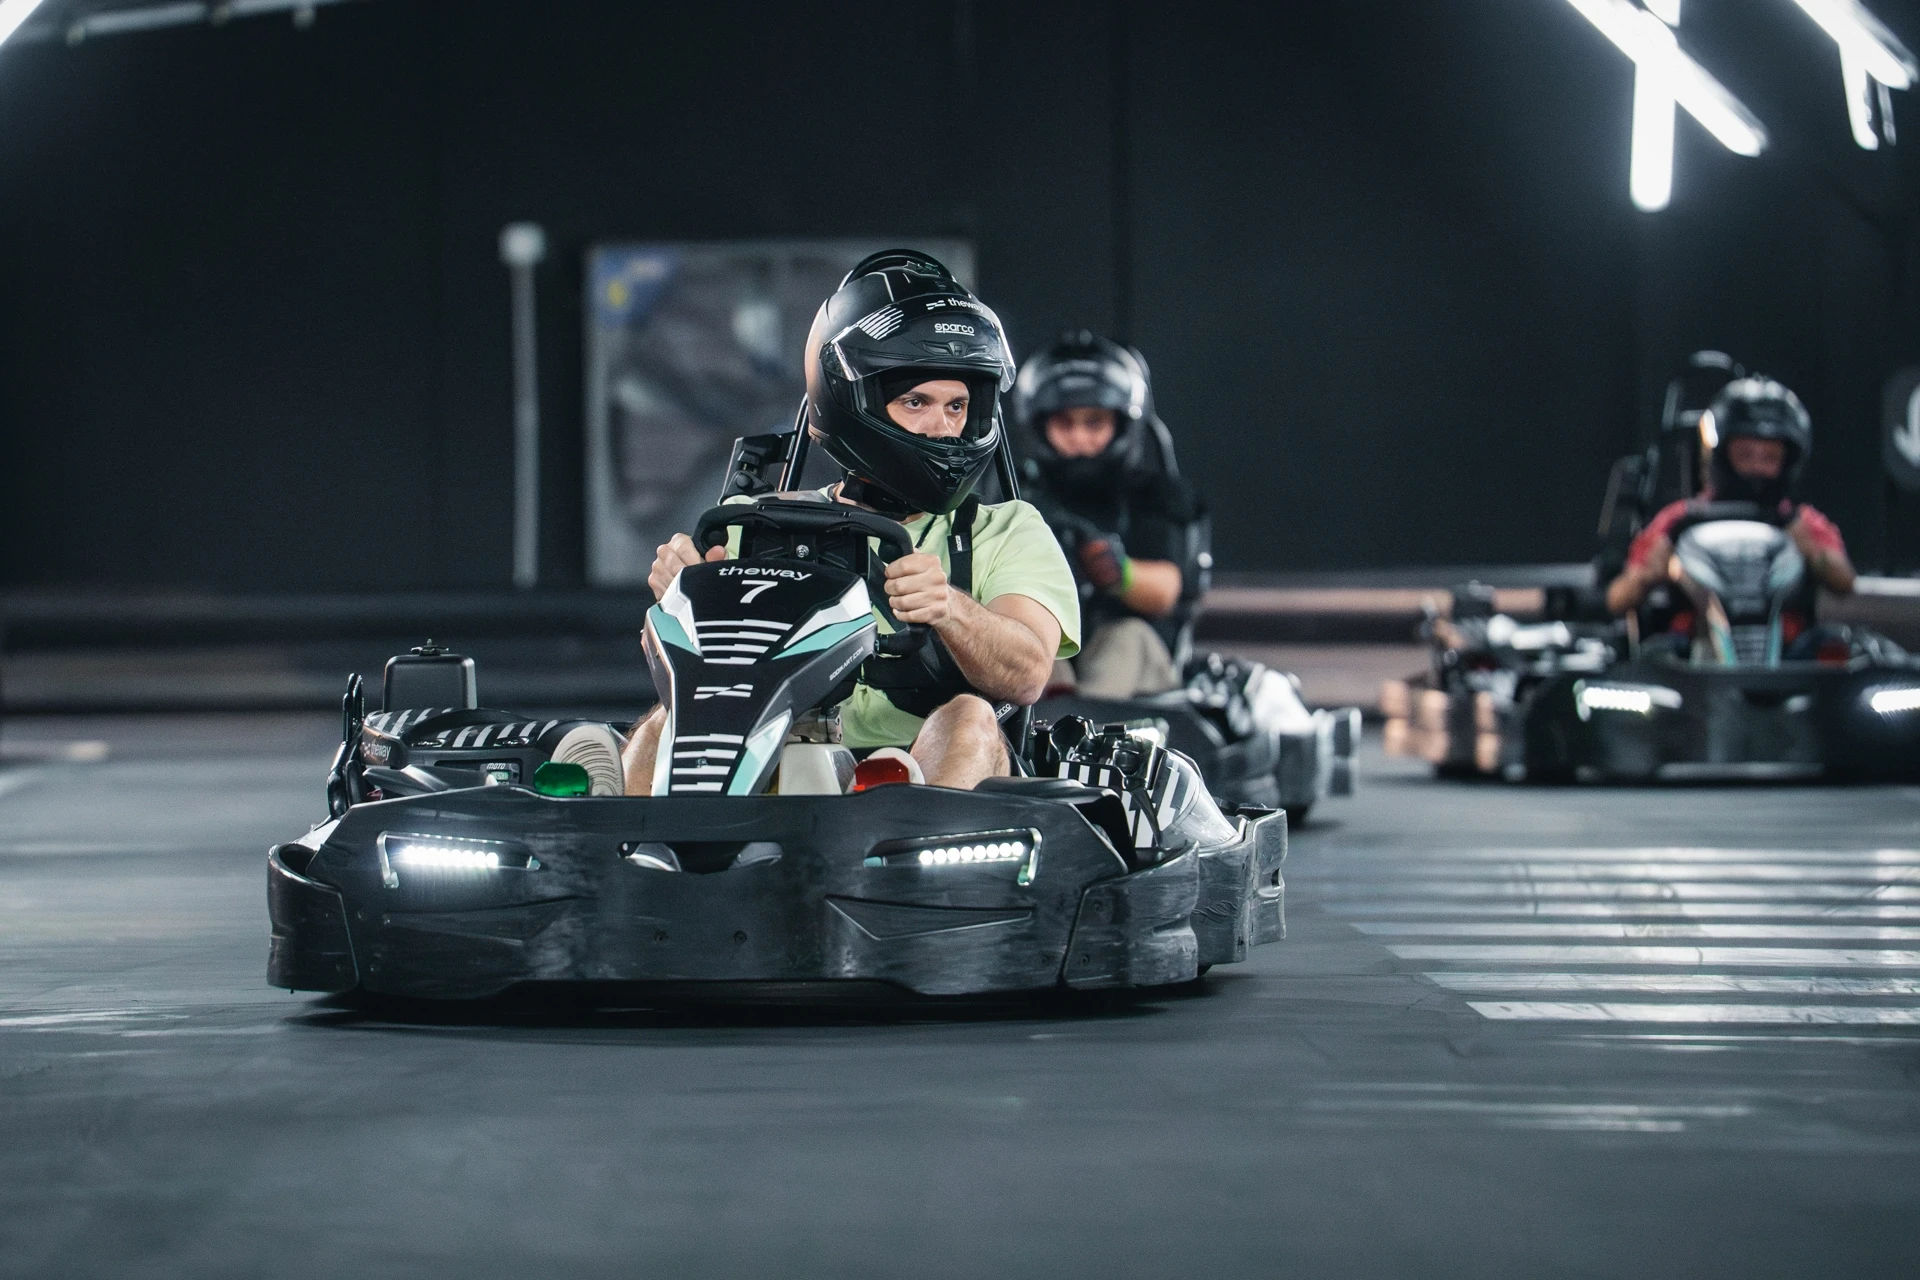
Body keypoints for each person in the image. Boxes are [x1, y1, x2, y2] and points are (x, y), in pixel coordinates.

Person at [620, 250, 1080, 792]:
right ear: (852, 401)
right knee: (662, 724)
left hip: (919, 783)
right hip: (776, 772)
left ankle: (908, 840)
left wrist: (949, 609)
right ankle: (631, 837)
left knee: (969, 718)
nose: (942, 428)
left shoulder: (1005, 529)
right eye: (916, 402)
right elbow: (689, 679)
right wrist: (684, 598)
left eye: (956, 407)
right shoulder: (756, 525)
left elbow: (1027, 674)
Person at [1012, 331, 1205, 698]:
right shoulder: (1016, 497)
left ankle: (1083, 719)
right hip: (1053, 648)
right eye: (1065, 423)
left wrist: (1118, 572)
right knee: (1032, 642)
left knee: (1125, 639)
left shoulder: (1154, 495)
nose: (1079, 438)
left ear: (1121, 422)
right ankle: (1050, 719)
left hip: (1138, 666)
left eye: (1094, 423)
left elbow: (1166, 590)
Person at [1606, 376, 1855, 654]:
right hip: (1696, 654)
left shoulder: (1800, 521)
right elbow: (1617, 599)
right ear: (1721, 453)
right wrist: (1647, 575)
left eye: (1769, 457)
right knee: (1658, 651)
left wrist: (1813, 552)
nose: (1757, 467)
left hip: (1785, 656)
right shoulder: (1679, 519)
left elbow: (1844, 581)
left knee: (1832, 647)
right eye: (1746, 455)